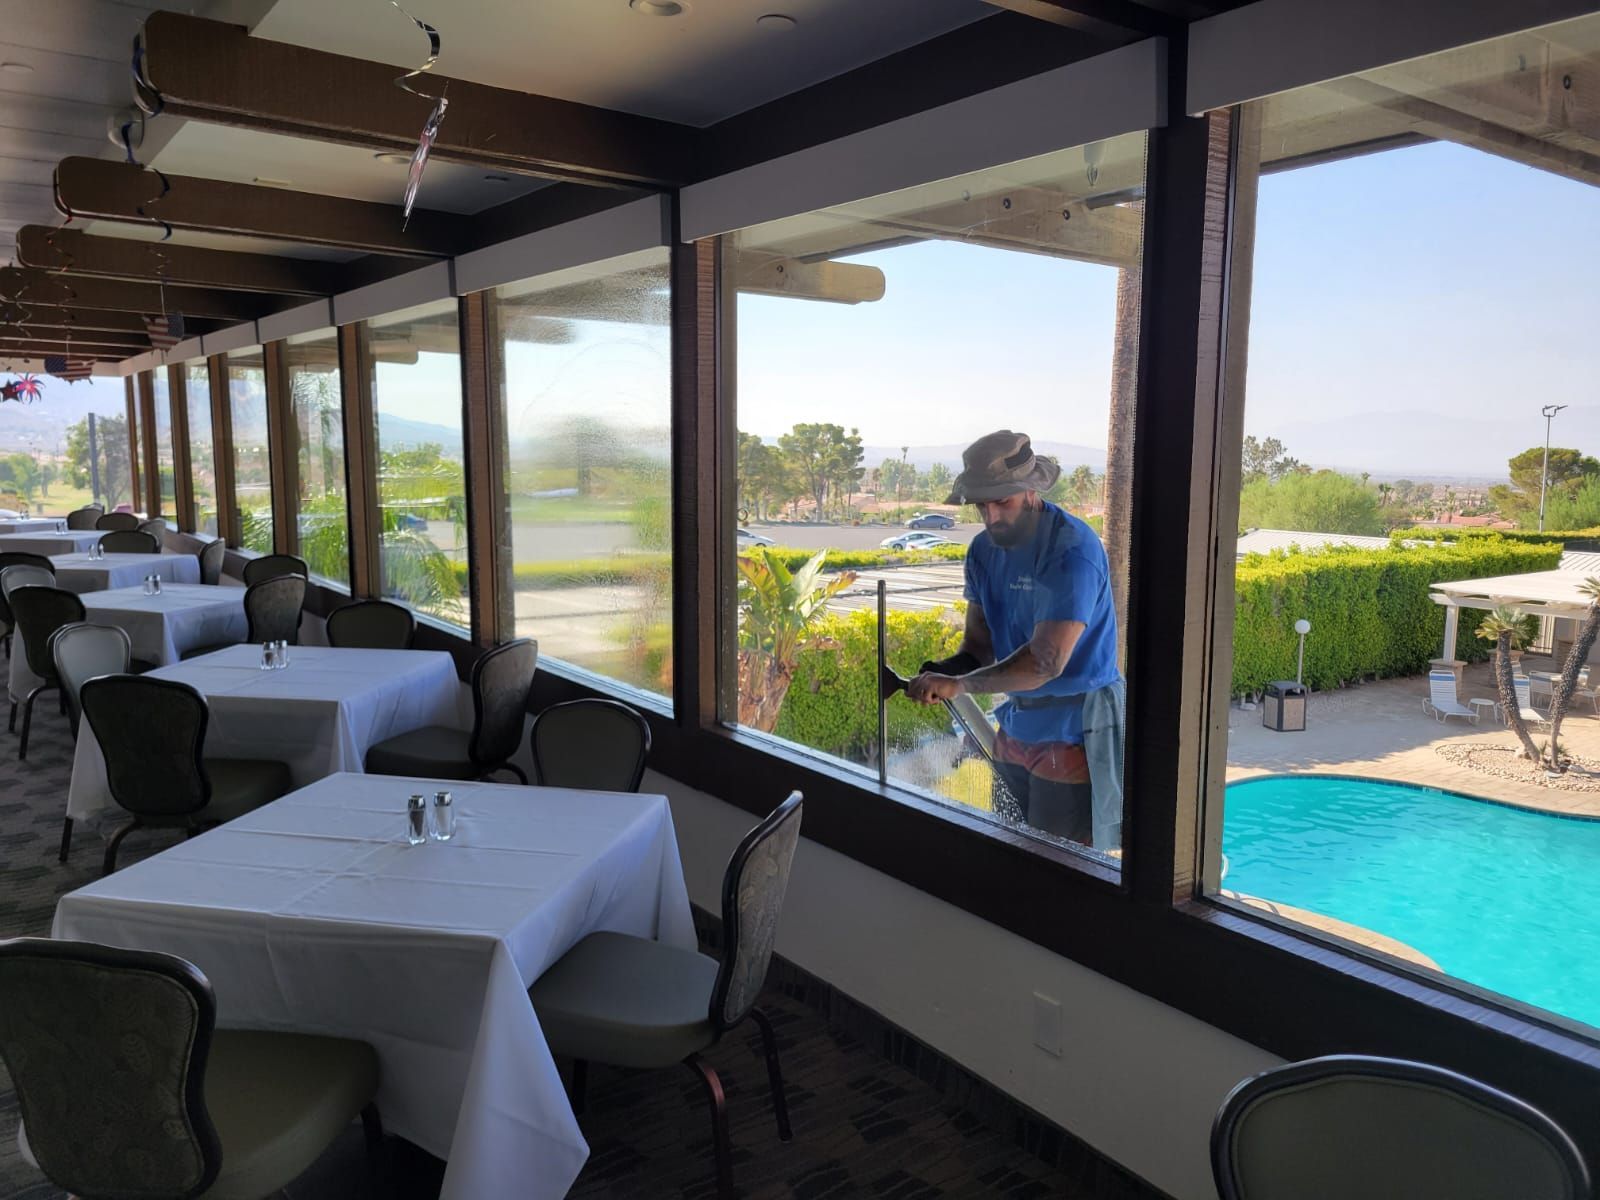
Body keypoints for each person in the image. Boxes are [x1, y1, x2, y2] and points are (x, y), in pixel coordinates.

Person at [906, 430, 1125, 851]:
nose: (991, 517)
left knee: (1056, 868)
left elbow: (1045, 662)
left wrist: (963, 685)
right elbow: (978, 648)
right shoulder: (982, 552)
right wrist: (943, 673)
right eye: (981, 505)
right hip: (1016, 721)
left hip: (1072, 729)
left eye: (1001, 502)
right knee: (1006, 848)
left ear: (1030, 491)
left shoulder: (1071, 550)